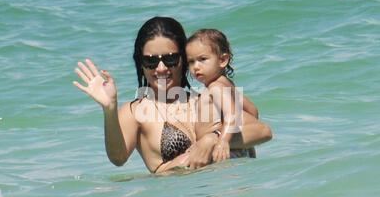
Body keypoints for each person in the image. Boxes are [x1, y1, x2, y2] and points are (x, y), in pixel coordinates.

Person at [73, 16, 272, 174]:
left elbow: (263, 131)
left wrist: (212, 139)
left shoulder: (207, 98)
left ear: (184, 60)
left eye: (170, 59)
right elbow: (118, 158)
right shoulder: (137, 111)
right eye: (150, 62)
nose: (160, 68)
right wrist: (109, 109)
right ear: (140, 65)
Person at [186, 28, 261, 162]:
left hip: (221, 149)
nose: (195, 67)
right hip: (234, 148)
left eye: (202, 59)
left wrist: (223, 140)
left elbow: (232, 114)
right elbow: (253, 111)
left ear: (222, 60)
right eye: (191, 62)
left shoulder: (215, 87)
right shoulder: (227, 85)